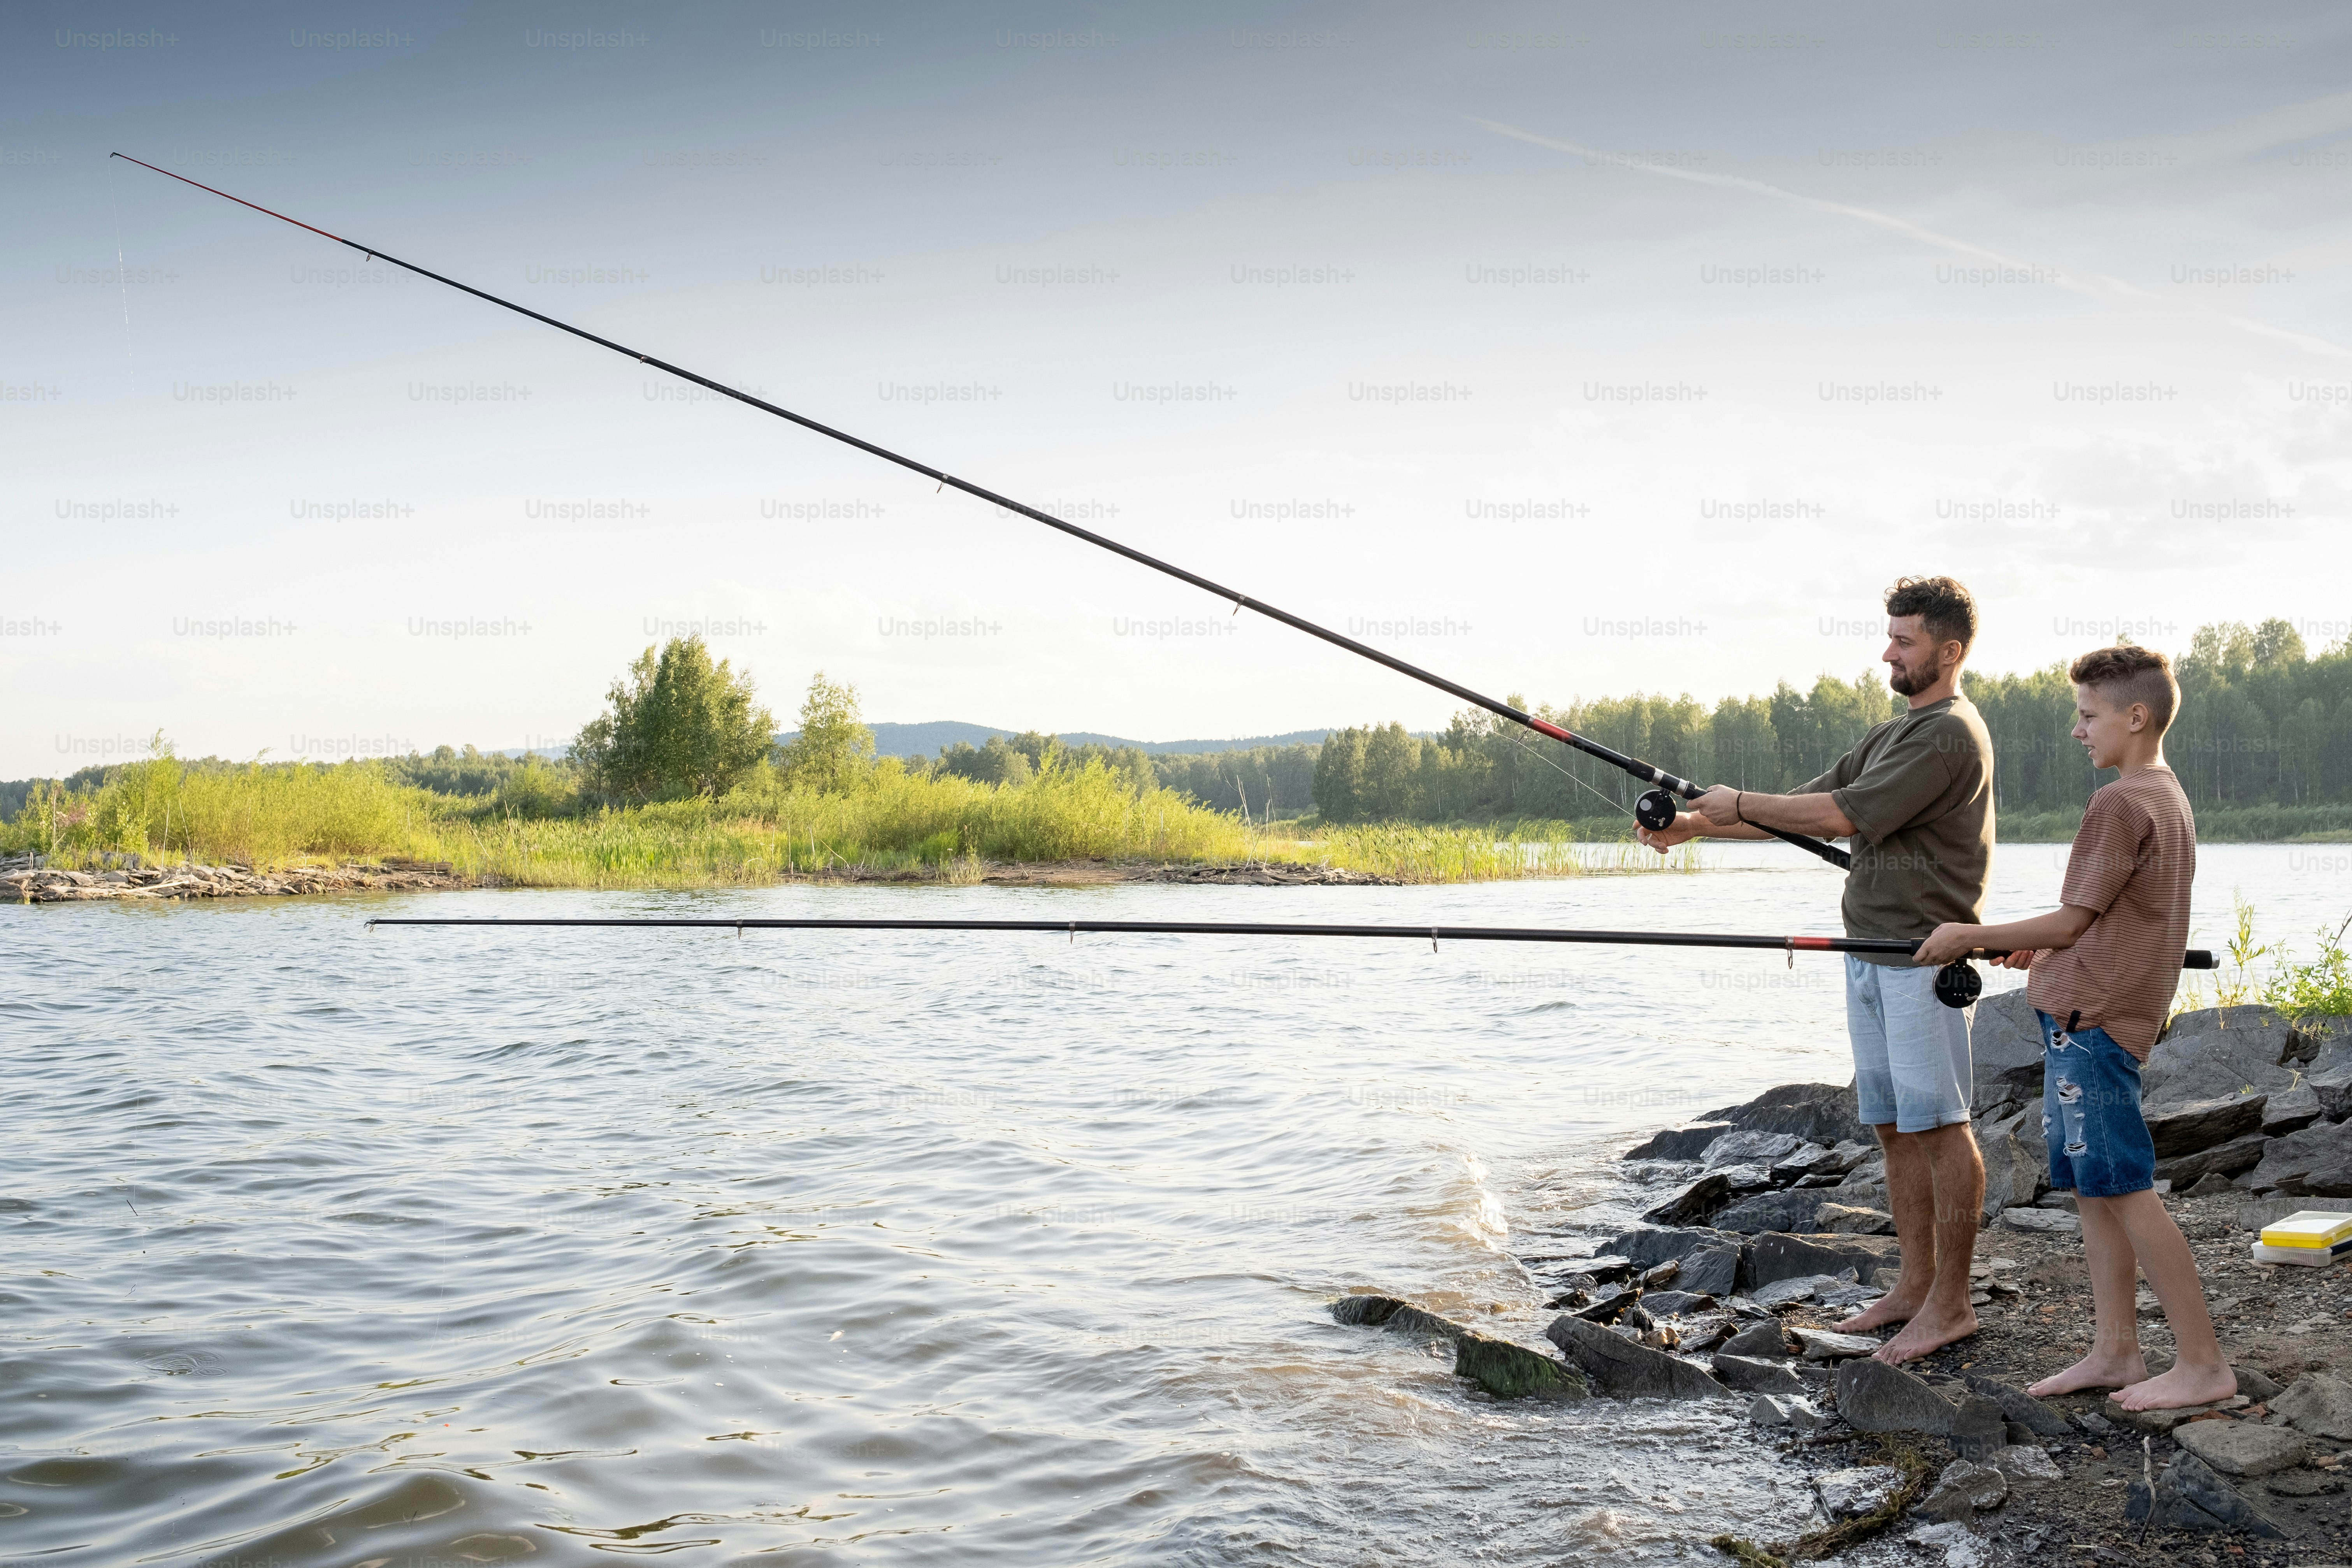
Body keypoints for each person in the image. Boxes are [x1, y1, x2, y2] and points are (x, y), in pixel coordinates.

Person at [1639, 576, 1993, 1363]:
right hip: (1867, 954)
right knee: (1896, 1127)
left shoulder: (1948, 736)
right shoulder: (1890, 733)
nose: (1887, 651)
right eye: (1889, 636)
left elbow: (1841, 816)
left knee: (1941, 1126)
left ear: (1948, 650)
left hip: (1920, 959)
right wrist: (1694, 825)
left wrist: (1737, 799)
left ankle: (1953, 1303)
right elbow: (1799, 804)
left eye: (1902, 640)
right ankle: (1911, 1286)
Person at [1915, 646, 2226, 1410]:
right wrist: (2048, 943)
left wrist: (1969, 935)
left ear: (2135, 715)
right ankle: (2116, 1350)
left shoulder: (2118, 803)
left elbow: (2074, 915)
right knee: (2094, 1188)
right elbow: (2112, 918)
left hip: (2094, 1026)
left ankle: (2202, 1363)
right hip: (2092, 1015)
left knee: (2124, 1188)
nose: (2076, 729)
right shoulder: (2165, 793)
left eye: (2087, 715)